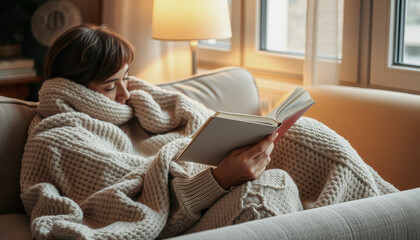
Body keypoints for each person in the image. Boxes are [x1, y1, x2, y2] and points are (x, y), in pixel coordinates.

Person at [20, 24, 398, 240]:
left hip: (217, 185)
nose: (125, 94)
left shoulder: (145, 104)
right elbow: (129, 206)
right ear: (73, 87)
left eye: (127, 79)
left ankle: (398, 216)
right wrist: (218, 179)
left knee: (305, 135)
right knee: (270, 187)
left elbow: (200, 126)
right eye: (109, 87)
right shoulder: (60, 137)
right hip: (186, 221)